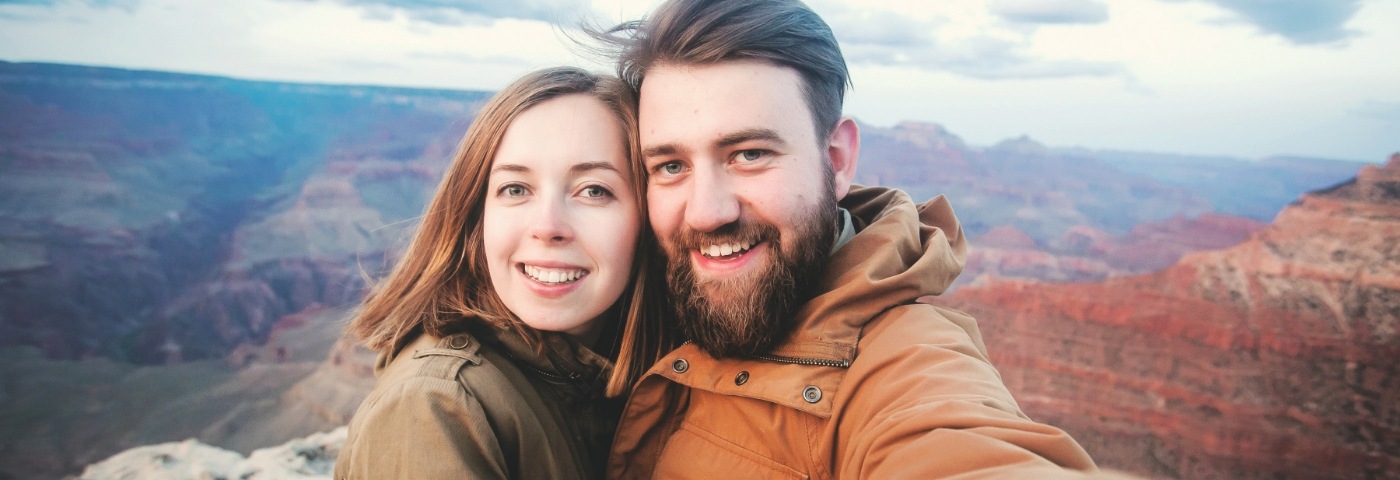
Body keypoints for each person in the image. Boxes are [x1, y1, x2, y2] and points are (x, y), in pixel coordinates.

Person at [591, 0, 1103, 478]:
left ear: (836, 160)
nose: (706, 213)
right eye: (671, 165)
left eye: (749, 154)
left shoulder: (908, 367)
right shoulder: (630, 298)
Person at [333, 67, 672, 479]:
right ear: (477, 215)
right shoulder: (438, 405)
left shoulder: (634, 376)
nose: (547, 226)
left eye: (593, 190)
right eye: (516, 189)